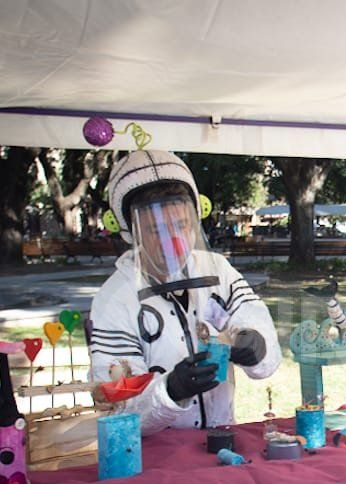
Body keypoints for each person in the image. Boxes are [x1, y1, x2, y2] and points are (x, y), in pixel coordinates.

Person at [89, 150, 280, 435]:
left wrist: (255, 342)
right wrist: (171, 390)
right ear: (131, 233)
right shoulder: (115, 300)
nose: (173, 242)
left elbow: (252, 320)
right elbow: (117, 405)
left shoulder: (217, 270)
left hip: (220, 440)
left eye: (181, 225)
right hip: (154, 459)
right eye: (156, 230)